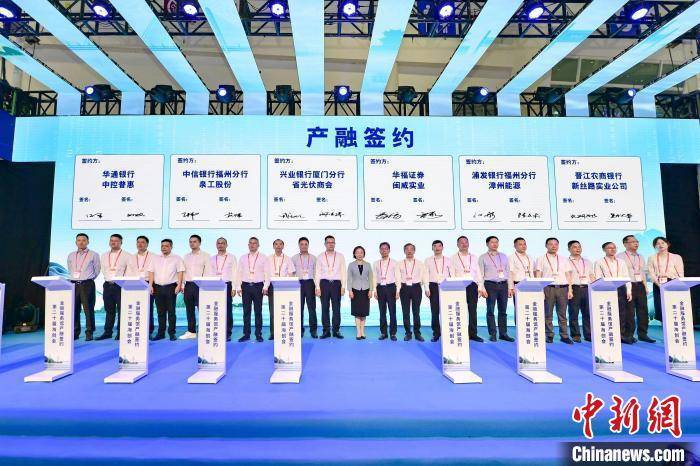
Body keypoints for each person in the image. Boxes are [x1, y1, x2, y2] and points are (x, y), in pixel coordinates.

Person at [534, 237, 574, 344]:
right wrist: (540, 290)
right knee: (548, 314)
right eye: (551, 244)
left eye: (556, 244)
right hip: (548, 288)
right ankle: (549, 335)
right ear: (546, 246)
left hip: (563, 288)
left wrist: (570, 290)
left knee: (562, 314)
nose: (553, 246)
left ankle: (564, 336)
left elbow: (568, 275)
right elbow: (538, 275)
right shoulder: (541, 259)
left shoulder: (564, 259)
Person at [594, 242, 633, 343]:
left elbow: (626, 276)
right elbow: (598, 277)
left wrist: (629, 290)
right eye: (609, 248)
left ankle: (622, 335)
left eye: (614, 247)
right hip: (607, 289)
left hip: (621, 288)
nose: (612, 249)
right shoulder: (599, 262)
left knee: (622, 313)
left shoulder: (621, 262)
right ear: (604, 250)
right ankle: (610, 334)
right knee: (609, 312)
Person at [619, 235, 655, 343]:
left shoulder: (641, 256)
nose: (636, 243)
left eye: (637, 241)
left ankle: (643, 334)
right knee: (629, 312)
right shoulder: (620, 256)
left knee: (643, 311)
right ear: (625, 244)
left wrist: (645, 286)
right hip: (627, 286)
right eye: (633, 241)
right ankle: (628, 335)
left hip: (640, 285)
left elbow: (643, 273)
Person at [148, 239, 185, 341]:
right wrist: (150, 285)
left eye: (166, 246)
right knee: (160, 312)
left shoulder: (177, 258)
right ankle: (161, 333)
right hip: (157, 287)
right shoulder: (155, 258)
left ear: (171, 247)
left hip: (171, 287)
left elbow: (180, 272)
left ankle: (172, 333)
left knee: (171, 312)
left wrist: (179, 285)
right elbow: (151, 272)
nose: (164, 248)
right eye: (162, 246)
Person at [478, 236, 513, 342]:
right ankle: (492, 334)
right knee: (490, 310)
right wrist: (482, 288)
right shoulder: (483, 257)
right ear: (487, 244)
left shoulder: (504, 256)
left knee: (503, 310)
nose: (495, 244)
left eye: (496, 242)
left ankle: (503, 333)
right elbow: (480, 274)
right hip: (490, 285)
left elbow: (508, 272)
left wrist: (510, 287)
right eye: (492, 242)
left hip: (503, 285)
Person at [451, 236, 485, 342]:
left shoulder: (474, 257)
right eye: (461, 243)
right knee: (459, 310)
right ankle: (460, 333)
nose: (464, 244)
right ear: (457, 245)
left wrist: (480, 286)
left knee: (473, 310)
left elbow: (478, 272)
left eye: (466, 242)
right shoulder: (453, 258)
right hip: (459, 286)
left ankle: (473, 334)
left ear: (468, 243)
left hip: (472, 285)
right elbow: (452, 273)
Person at [67, 233, 101, 341]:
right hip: (73, 284)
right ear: (76, 242)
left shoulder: (93, 254)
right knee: (74, 309)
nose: (81, 242)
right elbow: (70, 269)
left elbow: (97, 270)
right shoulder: (71, 255)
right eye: (79, 240)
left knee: (88, 309)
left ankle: (89, 332)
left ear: (88, 242)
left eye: (83, 240)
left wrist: (88, 278)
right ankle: (75, 332)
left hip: (87, 284)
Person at [97, 234, 130, 341]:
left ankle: (121, 333)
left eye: (116, 241)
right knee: (109, 310)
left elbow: (129, 271)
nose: (113, 242)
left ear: (121, 242)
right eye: (111, 240)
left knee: (122, 310)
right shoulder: (104, 255)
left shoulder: (127, 255)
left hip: (120, 285)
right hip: (107, 285)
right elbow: (103, 270)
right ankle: (107, 332)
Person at [236, 237, 268, 342]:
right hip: (245, 286)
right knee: (246, 311)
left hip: (258, 286)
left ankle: (258, 334)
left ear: (258, 245)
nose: (252, 245)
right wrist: (238, 286)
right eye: (250, 243)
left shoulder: (263, 257)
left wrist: (265, 286)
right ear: (248, 245)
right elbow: (239, 273)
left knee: (258, 311)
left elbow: (267, 273)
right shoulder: (243, 257)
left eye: (254, 243)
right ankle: (246, 334)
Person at [315, 235, 346, 339]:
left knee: (336, 308)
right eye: (328, 242)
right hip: (324, 284)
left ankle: (336, 331)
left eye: (332, 242)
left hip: (336, 284)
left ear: (335, 244)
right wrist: (317, 287)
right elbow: (317, 273)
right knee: (325, 308)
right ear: (325, 244)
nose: (330, 244)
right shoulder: (320, 256)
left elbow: (343, 272)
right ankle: (326, 331)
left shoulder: (340, 256)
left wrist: (343, 286)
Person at [647, 236, 684, 322]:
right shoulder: (652, 258)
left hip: (673, 282)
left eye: (662, 243)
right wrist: (659, 285)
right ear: (655, 246)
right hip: (658, 283)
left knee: (673, 306)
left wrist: (679, 284)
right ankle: (664, 326)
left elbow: (680, 273)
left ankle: (674, 324)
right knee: (660, 307)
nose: (660, 245)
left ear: (667, 244)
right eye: (657, 244)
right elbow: (651, 273)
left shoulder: (676, 257)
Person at [181, 234, 211, 340]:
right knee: (189, 309)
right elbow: (183, 272)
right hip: (188, 285)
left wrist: (205, 286)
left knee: (202, 309)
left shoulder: (206, 255)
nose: (192, 243)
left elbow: (208, 272)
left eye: (194, 241)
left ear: (199, 243)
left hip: (200, 285)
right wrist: (183, 284)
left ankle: (203, 331)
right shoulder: (186, 256)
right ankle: (191, 331)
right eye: (190, 242)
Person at [126, 235, 156, 337]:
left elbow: (155, 271)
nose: (140, 244)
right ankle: (137, 330)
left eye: (142, 242)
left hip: (148, 283)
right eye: (138, 242)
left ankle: (149, 331)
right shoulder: (131, 257)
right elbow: (129, 272)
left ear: (147, 244)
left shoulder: (153, 256)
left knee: (148, 308)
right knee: (136, 308)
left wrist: (151, 285)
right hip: (134, 284)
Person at [267, 239, 296, 340]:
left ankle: (284, 331)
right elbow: (266, 274)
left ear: (283, 246)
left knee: (284, 310)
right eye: (276, 244)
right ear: (273, 246)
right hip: (272, 286)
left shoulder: (287, 259)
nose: (278, 246)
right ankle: (273, 333)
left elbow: (291, 273)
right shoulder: (268, 259)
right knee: (273, 311)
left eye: (280, 244)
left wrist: (290, 287)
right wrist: (265, 286)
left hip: (284, 287)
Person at [567, 240, 595, 343]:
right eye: (575, 247)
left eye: (579, 247)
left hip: (587, 288)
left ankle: (588, 335)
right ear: (569, 249)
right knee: (574, 313)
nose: (578, 249)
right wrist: (569, 289)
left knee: (587, 313)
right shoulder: (566, 262)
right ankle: (576, 335)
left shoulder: (587, 261)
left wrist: (594, 288)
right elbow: (567, 277)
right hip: (574, 288)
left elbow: (591, 275)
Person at [424, 240, 452, 342]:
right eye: (435, 246)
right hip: (433, 286)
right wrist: (426, 288)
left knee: (447, 311)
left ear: (442, 248)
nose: (437, 248)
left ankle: (447, 332)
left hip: (446, 286)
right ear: (432, 248)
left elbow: (452, 274)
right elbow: (425, 274)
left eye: (439, 246)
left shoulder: (448, 260)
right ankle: (436, 333)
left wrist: (453, 287)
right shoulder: (428, 260)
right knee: (435, 311)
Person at [210, 237, 237, 342]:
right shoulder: (212, 258)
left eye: (222, 243)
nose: (220, 245)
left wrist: (234, 287)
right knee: (216, 309)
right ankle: (217, 331)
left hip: (227, 285)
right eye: (218, 243)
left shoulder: (232, 257)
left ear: (226, 245)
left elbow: (234, 273)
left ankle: (227, 333)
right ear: (216, 245)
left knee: (227, 310)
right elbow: (209, 273)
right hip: (214, 286)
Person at [398, 243, 426, 342]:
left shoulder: (420, 263)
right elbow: (398, 278)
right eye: (407, 249)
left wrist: (426, 288)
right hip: (404, 288)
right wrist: (398, 290)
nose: (409, 251)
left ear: (414, 251)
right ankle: (408, 333)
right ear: (404, 251)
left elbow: (424, 276)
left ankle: (417, 333)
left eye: (411, 249)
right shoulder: (399, 263)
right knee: (405, 312)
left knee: (416, 311)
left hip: (416, 287)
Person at [373, 242, 399, 341]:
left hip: (391, 287)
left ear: (389, 250)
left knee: (392, 312)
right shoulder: (376, 263)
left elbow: (398, 277)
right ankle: (383, 333)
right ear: (379, 250)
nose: (384, 250)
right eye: (382, 249)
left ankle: (393, 333)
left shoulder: (394, 262)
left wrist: (398, 290)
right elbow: (374, 277)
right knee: (382, 311)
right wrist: (375, 290)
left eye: (386, 248)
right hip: (380, 288)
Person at [292, 237, 318, 338]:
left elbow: (316, 273)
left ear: (308, 245)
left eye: (305, 244)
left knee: (312, 308)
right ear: (299, 245)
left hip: (310, 283)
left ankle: (313, 330)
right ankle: (299, 330)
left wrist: (317, 287)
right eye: (302, 244)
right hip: (298, 283)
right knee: (299, 308)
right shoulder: (294, 258)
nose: (304, 246)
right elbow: (292, 273)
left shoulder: (314, 258)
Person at [347, 246, 374, 340]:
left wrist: (371, 290)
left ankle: (362, 331)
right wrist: (350, 290)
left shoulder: (368, 264)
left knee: (364, 312)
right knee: (357, 312)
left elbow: (371, 278)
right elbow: (349, 279)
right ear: (354, 254)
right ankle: (358, 331)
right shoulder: (351, 265)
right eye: (357, 252)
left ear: (364, 254)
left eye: (361, 252)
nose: (359, 254)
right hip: (355, 290)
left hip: (366, 290)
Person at [508, 237, 533, 308]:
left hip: (530, 284)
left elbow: (532, 271)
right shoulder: (511, 257)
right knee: (519, 308)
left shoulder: (529, 257)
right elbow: (510, 273)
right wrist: (511, 287)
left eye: (524, 244)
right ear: (515, 246)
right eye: (520, 244)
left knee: (529, 307)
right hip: (518, 284)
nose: (523, 246)